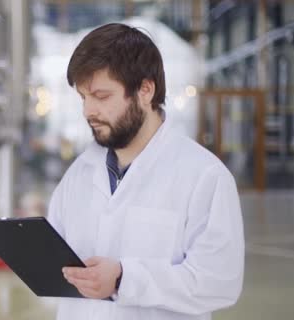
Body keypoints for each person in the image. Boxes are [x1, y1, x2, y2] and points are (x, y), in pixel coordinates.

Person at [47, 23, 244, 320]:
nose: (88, 111)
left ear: (145, 90)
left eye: (101, 96)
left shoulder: (204, 176)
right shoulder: (79, 174)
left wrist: (125, 278)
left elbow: (219, 283)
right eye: (83, 98)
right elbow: (56, 262)